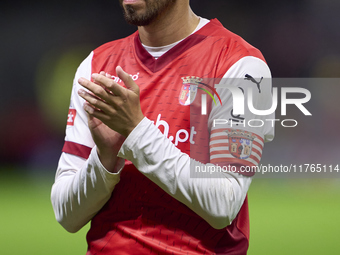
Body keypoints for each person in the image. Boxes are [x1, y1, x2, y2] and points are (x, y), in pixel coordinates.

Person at [51, 0, 274, 254]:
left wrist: (137, 132)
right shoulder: (96, 66)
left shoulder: (241, 66)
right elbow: (66, 215)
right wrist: (104, 158)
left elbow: (224, 203)